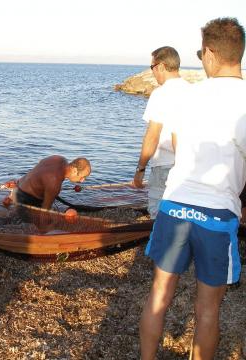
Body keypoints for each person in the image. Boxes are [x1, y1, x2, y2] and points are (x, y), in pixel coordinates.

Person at [140, 18, 245, 360]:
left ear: (212, 53)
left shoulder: (189, 96)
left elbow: (176, 144)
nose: (201, 58)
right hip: (217, 213)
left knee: (159, 295)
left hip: (175, 205)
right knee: (207, 310)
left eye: (201, 52)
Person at [132, 46, 190, 219]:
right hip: (189, 165)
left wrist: (140, 169)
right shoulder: (193, 91)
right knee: (182, 213)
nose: (152, 72)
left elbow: (153, 136)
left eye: (152, 67)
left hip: (164, 164)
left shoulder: (161, 94)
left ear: (161, 66)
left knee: (159, 215)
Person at [12, 155, 91, 209]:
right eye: (82, 177)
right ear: (74, 170)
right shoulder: (55, 184)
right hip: (25, 199)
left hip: (18, 187)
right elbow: (44, 212)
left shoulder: (59, 158)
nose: (82, 180)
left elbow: (40, 165)